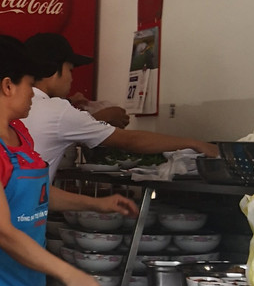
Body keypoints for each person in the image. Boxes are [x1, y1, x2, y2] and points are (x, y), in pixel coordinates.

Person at [0, 35, 138, 286]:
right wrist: (70, 274)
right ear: (8, 86)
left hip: (30, 283)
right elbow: (1, 231)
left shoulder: (19, 132)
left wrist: (97, 204)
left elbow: (36, 193)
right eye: (30, 85)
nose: (33, 94)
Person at [22, 33, 219, 183]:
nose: (71, 79)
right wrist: (195, 143)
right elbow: (130, 140)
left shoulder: (19, 105)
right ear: (52, 70)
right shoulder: (58, 110)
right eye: (70, 70)